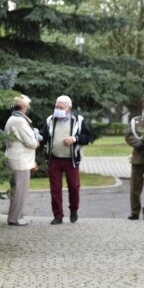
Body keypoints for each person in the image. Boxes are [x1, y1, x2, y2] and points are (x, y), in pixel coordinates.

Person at [40, 95, 92, 224]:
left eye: (60, 107)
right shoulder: (50, 120)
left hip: (71, 160)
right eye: (56, 106)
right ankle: (58, 215)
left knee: (74, 187)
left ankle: (73, 210)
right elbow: (43, 136)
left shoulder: (78, 120)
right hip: (54, 159)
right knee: (55, 189)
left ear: (69, 108)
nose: (57, 109)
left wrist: (74, 139)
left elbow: (87, 137)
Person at [4, 95, 40, 225]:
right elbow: (30, 142)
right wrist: (37, 141)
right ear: (24, 106)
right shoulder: (19, 121)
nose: (28, 107)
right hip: (20, 161)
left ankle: (14, 217)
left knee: (16, 190)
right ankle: (16, 218)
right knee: (20, 191)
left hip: (14, 159)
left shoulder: (13, 118)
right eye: (28, 105)